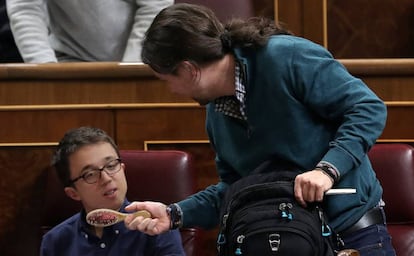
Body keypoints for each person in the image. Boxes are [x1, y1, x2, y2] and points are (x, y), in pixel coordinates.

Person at [123, 3, 397, 255]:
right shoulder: (215, 115)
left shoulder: (285, 56)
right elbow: (234, 190)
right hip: (290, 242)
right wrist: (173, 214)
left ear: (188, 69)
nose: (172, 90)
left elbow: (367, 108)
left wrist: (327, 170)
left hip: (351, 235)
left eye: (167, 80)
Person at [40, 126, 185, 255]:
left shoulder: (157, 226)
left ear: (122, 169)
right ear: (73, 193)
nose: (106, 178)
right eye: (90, 174)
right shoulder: (55, 242)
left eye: (111, 165)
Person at [6, 0, 173, 63]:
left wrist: (129, 68)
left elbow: (154, 7)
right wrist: (47, 70)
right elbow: (25, 9)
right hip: (70, 61)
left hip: (141, 64)